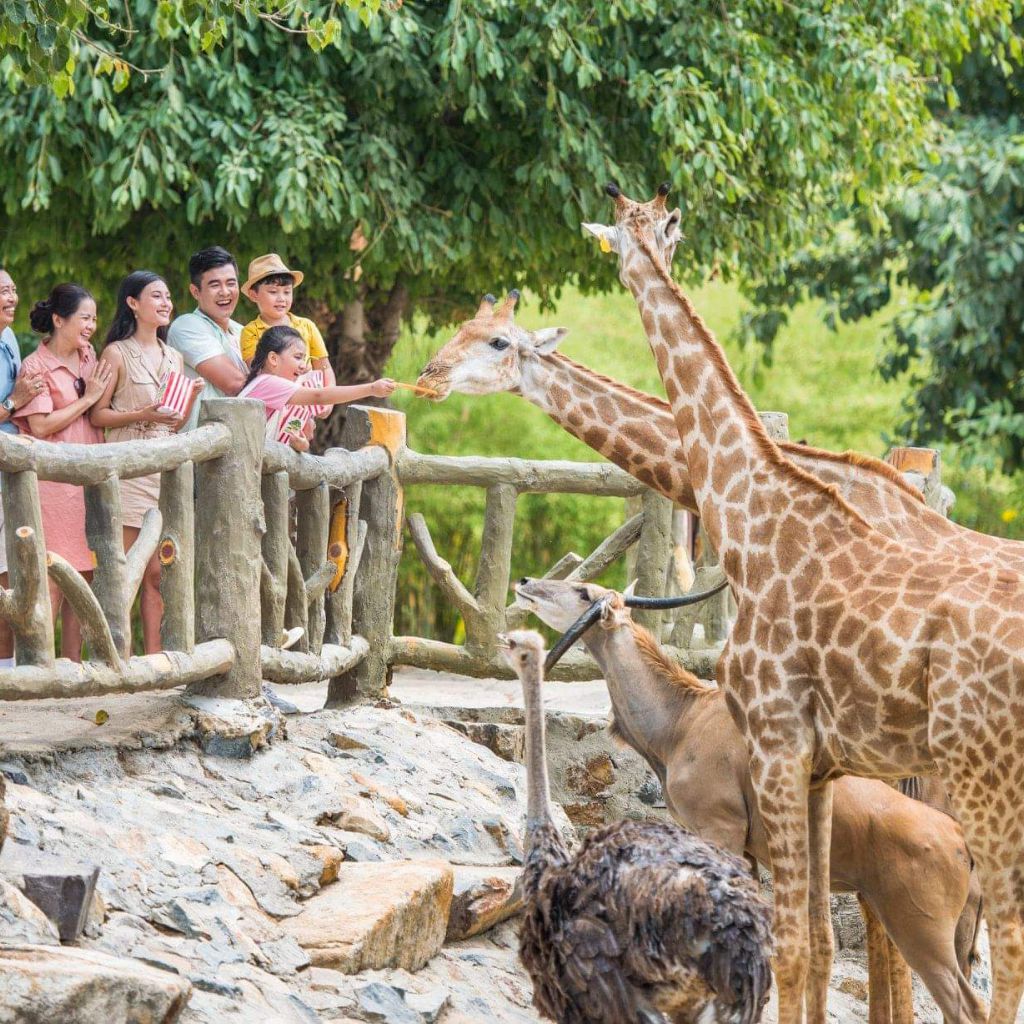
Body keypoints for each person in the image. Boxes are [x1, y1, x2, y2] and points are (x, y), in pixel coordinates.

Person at [90, 271, 204, 655]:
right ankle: (114, 660)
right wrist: (144, 413)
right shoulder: (116, 353)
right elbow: (98, 416)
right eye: (156, 296)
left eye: (169, 296)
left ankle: (155, 661)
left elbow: (173, 421)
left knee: (159, 574)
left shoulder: (175, 355)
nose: (166, 303)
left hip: (164, 471)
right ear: (133, 303)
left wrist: (189, 400)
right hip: (128, 470)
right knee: (124, 571)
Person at [14, 284, 112, 661]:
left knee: (85, 576)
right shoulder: (35, 366)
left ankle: (72, 665)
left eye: (93, 318)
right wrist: (87, 399)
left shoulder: (90, 357)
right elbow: (40, 426)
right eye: (84, 318)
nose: (91, 325)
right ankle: (41, 665)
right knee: (51, 572)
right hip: (52, 487)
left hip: (87, 481)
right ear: (59, 320)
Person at [239, 325, 395, 449]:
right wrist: (371, 389)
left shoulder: (286, 399)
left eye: (305, 359)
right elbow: (319, 396)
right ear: (273, 358)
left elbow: (296, 438)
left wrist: (301, 444)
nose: (304, 366)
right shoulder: (268, 383)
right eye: (298, 357)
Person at [0, 269, 46, 667]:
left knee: (9, 574)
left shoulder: (10, 338)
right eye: (2, 292)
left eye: (13, 289)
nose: (11, 297)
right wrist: (14, 402)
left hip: (8, 473)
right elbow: (11, 401)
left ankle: (7, 671)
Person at [167, 246, 247, 430]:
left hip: (241, 444)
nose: (225, 291)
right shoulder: (187, 325)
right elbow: (234, 383)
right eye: (215, 284)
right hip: (199, 450)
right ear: (195, 291)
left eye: (231, 283)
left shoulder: (244, 331)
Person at [239, 254, 336, 387]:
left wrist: (328, 400)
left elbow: (324, 368)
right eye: (273, 292)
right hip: (277, 398)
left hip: (311, 398)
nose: (281, 299)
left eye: (287, 292)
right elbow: (258, 371)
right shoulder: (250, 332)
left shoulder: (306, 326)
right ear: (253, 294)